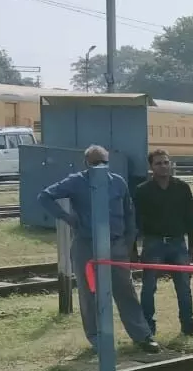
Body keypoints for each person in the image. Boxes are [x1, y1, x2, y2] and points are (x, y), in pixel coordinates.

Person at [39, 145, 160, 353]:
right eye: (95, 163)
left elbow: (129, 213)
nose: (100, 166)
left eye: (103, 162)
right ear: (86, 163)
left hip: (115, 246)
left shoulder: (118, 183)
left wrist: (128, 239)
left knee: (126, 292)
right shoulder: (76, 181)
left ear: (109, 161)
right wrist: (68, 218)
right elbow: (45, 196)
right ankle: (98, 339)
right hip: (87, 246)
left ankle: (142, 335)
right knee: (89, 294)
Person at [134, 149, 193, 338]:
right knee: (148, 288)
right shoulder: (142, 191)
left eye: (166, 162)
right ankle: (148, 329)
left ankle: (188, 327)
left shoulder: (182, 187)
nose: (163, 166)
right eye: (158, 163)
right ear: (151, 167)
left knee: (184, 287)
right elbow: (136, 222)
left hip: (178, 243)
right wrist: (133, 249)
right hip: (153, 243)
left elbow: (191, 218)